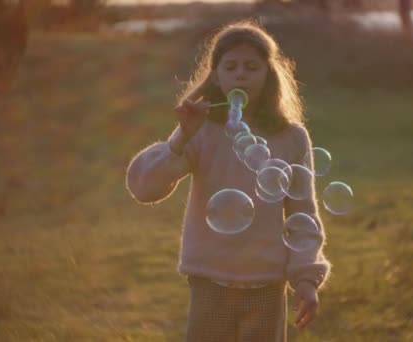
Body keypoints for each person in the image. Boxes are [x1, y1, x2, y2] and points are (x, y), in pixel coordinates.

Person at [125, 19, 331, 342]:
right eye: (230, 66)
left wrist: (306, 278)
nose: (240, 74)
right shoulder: (202, 131)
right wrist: (181, 137)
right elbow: (144, 187)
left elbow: (302, 214)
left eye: (251, 66)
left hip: (267, 285)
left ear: (269, 75)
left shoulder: (291, 137)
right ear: (217, 77)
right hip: (209, 282)